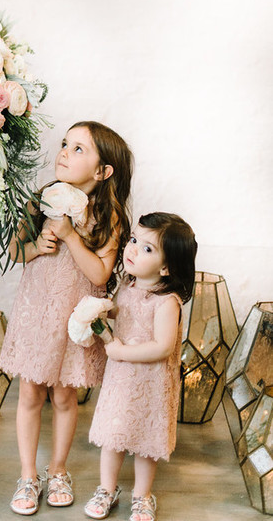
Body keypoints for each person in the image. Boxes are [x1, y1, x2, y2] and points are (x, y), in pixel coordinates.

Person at [0, 121, 133, 516]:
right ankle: (27, 474)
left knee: (63, 395)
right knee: (29, 393)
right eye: (64, 144)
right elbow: (15, 253)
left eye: (78, 149)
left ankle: (58, 469)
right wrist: (37, 246)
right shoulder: (40, 200)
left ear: (102, 171)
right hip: (38, 312)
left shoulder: (109, 216)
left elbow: (99, 276)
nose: (64, 153)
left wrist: (72, 236)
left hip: (73, 317)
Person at [85, 212, 197, 521]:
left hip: (151, 384)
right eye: (133, 240)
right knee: (114, 436)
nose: (132, 249)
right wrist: (99, 314)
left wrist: (120, 350)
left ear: (166, 266)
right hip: (122, 382)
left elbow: (162, 346)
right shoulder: (127, 285)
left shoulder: (166, 302)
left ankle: (142, 495)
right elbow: (122, 316)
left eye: (147, 248)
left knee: (146, 444)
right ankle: (107, 488)